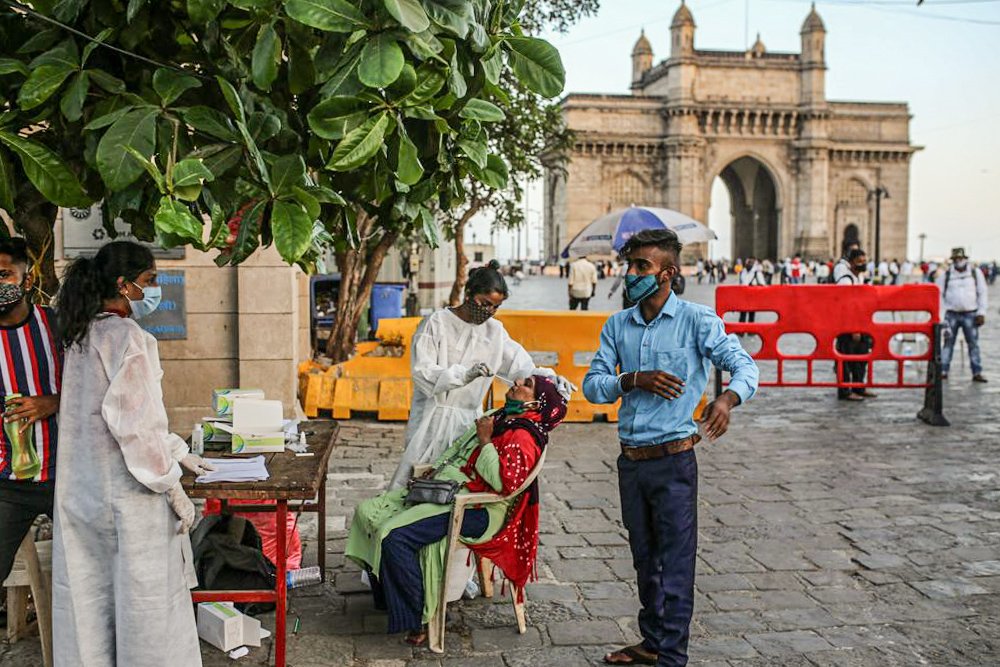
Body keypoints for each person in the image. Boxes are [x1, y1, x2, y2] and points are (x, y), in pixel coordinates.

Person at [583, 229, 759, 667]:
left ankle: (671, 657)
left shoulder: (698, 322)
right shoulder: (616, 326)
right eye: (631, 265)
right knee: (645, 559)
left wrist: (727, 398)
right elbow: (592, 386)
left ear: (668, 273)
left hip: (675, 460)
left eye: (642, 266)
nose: (632, 274)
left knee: (675, 564)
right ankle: (652, 641)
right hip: (632, 462)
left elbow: (744, 366)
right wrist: (632, 379)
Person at [51, 241, 213, 666]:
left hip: (82, 496)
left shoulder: (80, 336)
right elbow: (136, 427)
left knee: (89, 604)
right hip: (130, 497)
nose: (154, 290)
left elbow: (119, 414)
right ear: (124, 286)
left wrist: (176, 449)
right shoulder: (129, 338)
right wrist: (172, 485)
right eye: (149, 281)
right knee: (145, 610)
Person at [346, 375, 567, 645]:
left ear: (536, 401)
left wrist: (486, 440)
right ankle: (390, 600)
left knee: (395, 536)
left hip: (480, 509)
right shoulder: (498, 416)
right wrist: (436, 469)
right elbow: (458, 450)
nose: (518, 380)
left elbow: (503, 483)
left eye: (528, 383)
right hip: (453, 490)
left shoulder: (525, 435)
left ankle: (419, 620)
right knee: (368, 512)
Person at [389, 260, 570, 489]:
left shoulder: (495, 331)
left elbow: (520, 365)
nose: (489, 312)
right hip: (433, 418)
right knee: (415, 479)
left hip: (469, 422)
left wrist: (550, 379)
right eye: (485, 304)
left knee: (455, 485)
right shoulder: (437, 323)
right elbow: (422, 373)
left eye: (495, 307)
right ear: (468, 293)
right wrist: (463, 375)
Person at [0, 238, 62, 592]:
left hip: (66, 477)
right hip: (7, 483)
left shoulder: (58, 326)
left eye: (4, 274)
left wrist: (53, 401)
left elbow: (101, 391)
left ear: (27, 277)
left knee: (93, 571)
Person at [937, 247, 988, 382]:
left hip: (971, 314)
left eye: (960, 259)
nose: (958, 261)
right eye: (956, 259)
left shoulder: (975, 274)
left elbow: (982, 293)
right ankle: (943, 370)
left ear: (965, 259)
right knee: (948, 343)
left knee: (973, 344)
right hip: (951, 314)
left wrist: (981, 312)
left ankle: (977, 372)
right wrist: (941, 316)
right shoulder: (946, 275)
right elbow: (939, 296)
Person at [834, 249, 877, 401]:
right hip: (848, 326)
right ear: (851, 263)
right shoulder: (845, 280)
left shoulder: (859, 278)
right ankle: (845, 391)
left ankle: (859, 387)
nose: (863, 265)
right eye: (859, 262)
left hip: (861, 324)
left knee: (861, 358)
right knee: (846, 358)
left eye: (864, 261)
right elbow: (845, 306)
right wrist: (853, 328)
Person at [737, 257, 765, 324]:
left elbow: (762, 284)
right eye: (748, 262)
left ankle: (751, 330)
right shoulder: (742, 272)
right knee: (742, 312)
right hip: (743, 295)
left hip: (753, 295)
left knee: (751, 313)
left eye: (750, 262)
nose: (748, 264)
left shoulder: (757, 273)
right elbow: (740, 283)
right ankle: (741, 330)